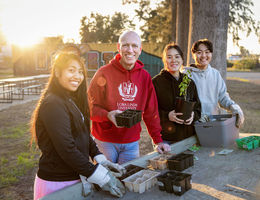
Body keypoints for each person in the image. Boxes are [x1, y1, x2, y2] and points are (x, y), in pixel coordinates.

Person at [30, 52, 125, 200]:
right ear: (57, 72)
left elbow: (84, 134)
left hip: (75, 178)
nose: (77, 76)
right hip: (57, 183)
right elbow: (67, 148)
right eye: (71, 70)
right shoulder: (53, 103)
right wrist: (101, 177)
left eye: (80, 72)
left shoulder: (69, 99)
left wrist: (99, 158)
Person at [87, 30, 170, 164]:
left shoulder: (144, 77)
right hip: (105, 141)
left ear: (140, 49)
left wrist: (157, 140)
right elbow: (89, 108)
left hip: (131, 143)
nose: (130, 50)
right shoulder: (103, 73)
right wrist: (107, 115)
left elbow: (151, 112)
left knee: (128, 179)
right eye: (125, 45)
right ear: (118, 47)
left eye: (134, 46)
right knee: (106, 181)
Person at [185, 38, 244, 127]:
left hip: (214, 123)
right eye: (199, 52)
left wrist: (235, 108)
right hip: (194, 125)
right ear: (193, 54)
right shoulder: (186, 75)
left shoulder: (215, 74)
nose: (203, 55)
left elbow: (223, 97)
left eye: (207, 52)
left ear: (211, 54)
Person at [152, 43, 201, 144]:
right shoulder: (156, 82)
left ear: (182, 60)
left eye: (177, 56)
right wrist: (167, 115)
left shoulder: (189, 82)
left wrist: (193, 115)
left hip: (188, 137)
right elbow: (150, 112)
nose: (173, 60)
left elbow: (198, 108)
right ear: (164, 60)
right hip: (166, 139)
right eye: (169, 57)